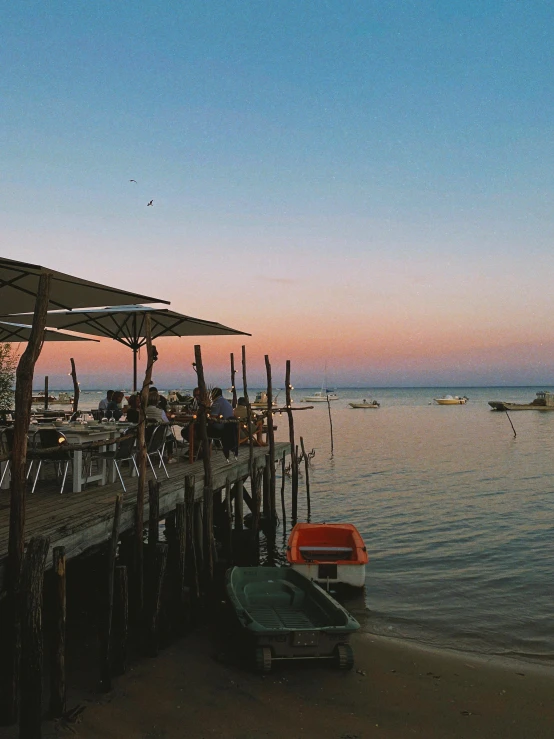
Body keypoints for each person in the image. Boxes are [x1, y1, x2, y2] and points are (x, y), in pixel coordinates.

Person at [209, 387, 238, 462]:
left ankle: (203, 450)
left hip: (222, 429)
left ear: (214, 394)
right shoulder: (226, 402)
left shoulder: (217, 403)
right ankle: (217, 444)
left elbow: (212, 419)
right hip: (229, 428)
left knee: (203, 429)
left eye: (212, 394)